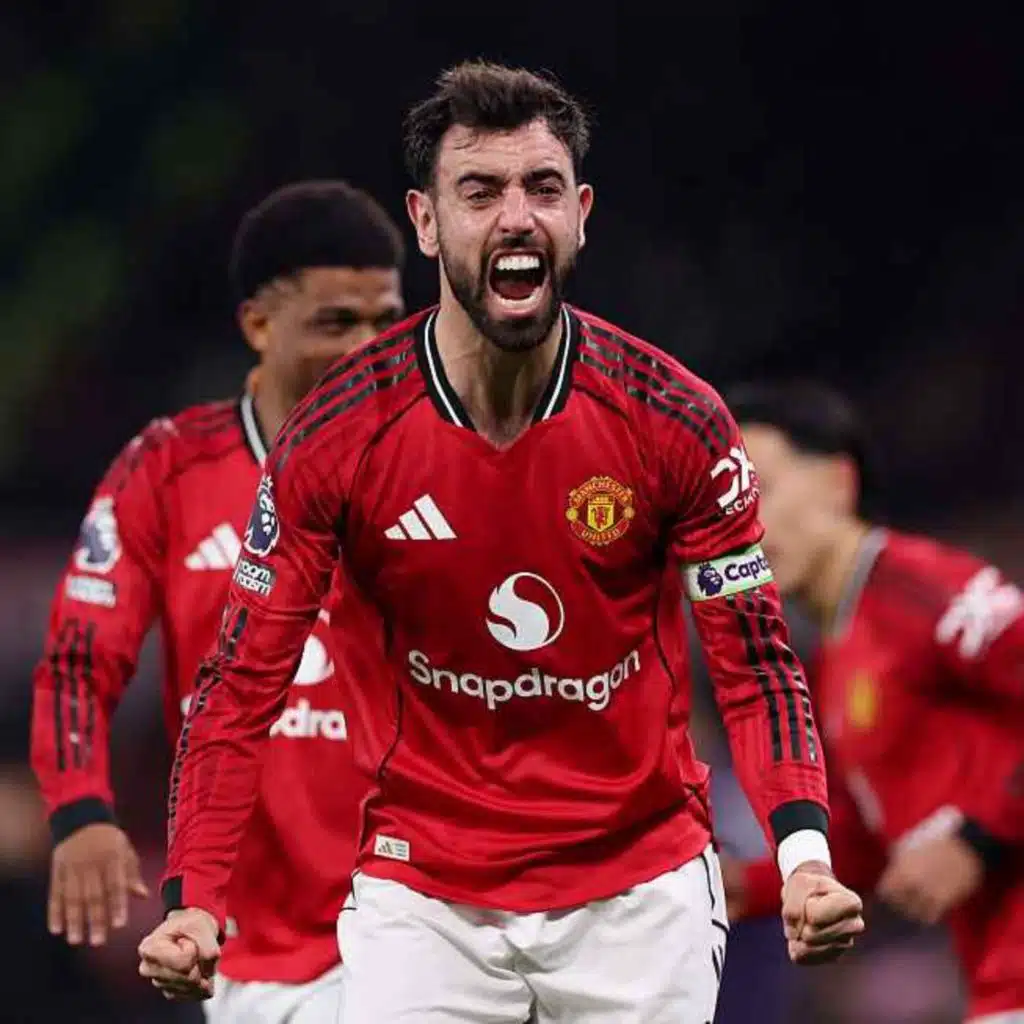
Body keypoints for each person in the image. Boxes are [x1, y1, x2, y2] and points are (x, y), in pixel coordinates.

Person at [138, 62, 864, 1023]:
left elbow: (755, 662)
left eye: (543, 189)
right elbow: (239, 682)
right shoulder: (338, 437)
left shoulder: (674, 420)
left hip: (638, 889)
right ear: (427, 222)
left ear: (581, 215)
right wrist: (194, 897)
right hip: (424, 895)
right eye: (480, 192)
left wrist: (804, 859)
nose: (516, 217)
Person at [31, 180, 406, 1023]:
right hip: (263, 957)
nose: (368, 349)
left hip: (434, 916)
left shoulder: (442, 460)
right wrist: (80, 810)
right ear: (258, 325)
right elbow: (79, 661)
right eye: (336, 322)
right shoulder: (169, 471)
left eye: (385, 322)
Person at [718, 381, 1024, 1023]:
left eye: (758, 490)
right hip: (997, 970)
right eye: (722, 508)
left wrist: (977, 839)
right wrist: (740, 887)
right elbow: (858, 848)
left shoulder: (921, 589)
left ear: (839, 482)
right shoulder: (828, 664)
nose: (740, 526)